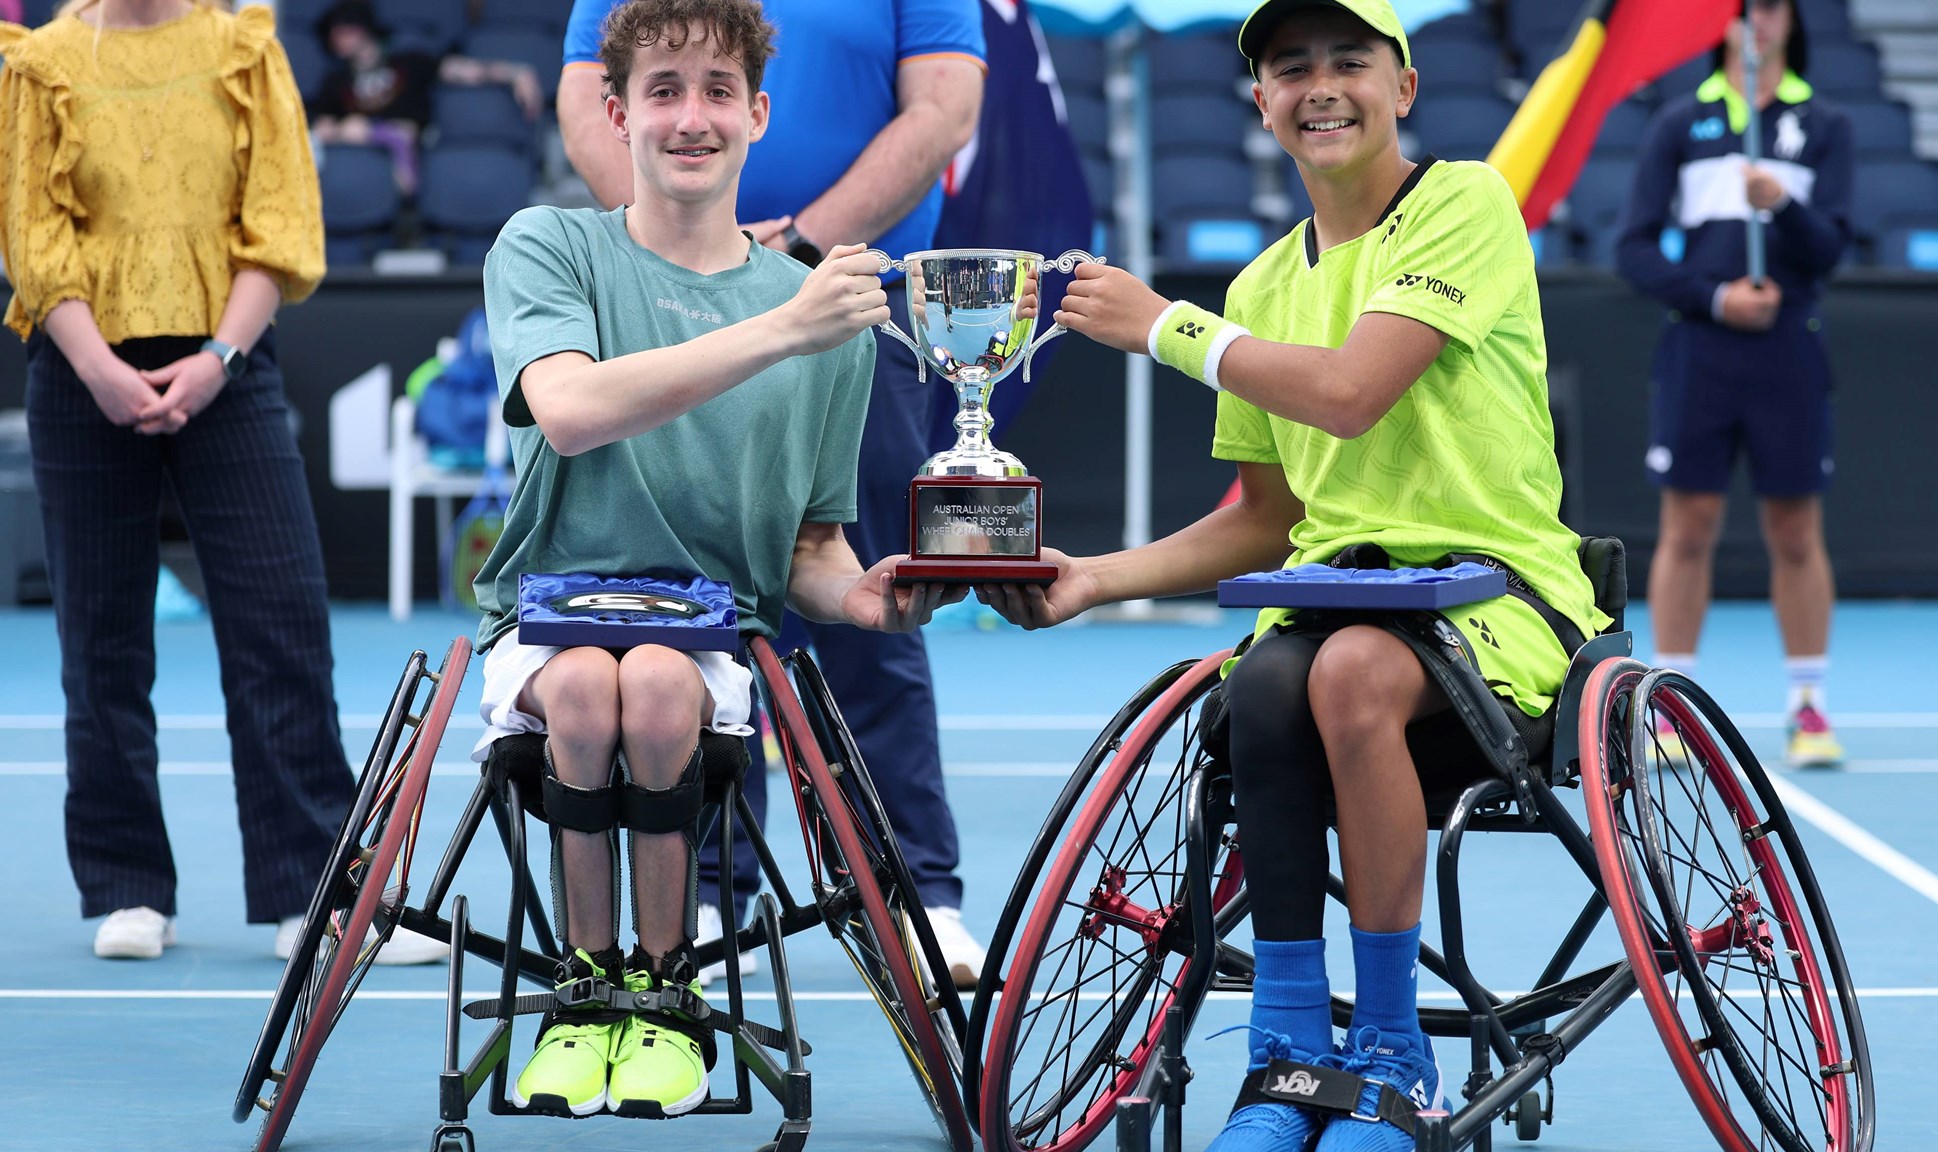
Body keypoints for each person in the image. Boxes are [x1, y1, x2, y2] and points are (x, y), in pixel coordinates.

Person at [975, 3, 1607, 1150]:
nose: (1319, 85)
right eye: (1289, 66)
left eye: (1348, 61)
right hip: (1334, 608)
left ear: (1400, 87)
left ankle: (1392, 1057)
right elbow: (1266, 521)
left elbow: (1351, 393)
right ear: (1259, 102)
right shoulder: (1264, 286)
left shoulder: (1463, 203)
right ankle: (1286, 1050)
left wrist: (1165, 328)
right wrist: (1093, 579)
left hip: (1496, 593)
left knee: (1346, 672)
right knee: (1260, 685)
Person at [475, 0, 961, 1117]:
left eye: (715, 93)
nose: (690, 117)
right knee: (590, 687)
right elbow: (570, 413)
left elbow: (811, 548)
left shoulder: (821, 322)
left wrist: (863, 598)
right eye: (663, 91)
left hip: (706, 635)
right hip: (547, 616)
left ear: (758, 114)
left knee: (652, 681)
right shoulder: (548, 245)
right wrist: (785, 324)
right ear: (616, 113)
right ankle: (582, 992)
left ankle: (665, 989)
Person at [557, 0, 992, 987]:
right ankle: (709, 893)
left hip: (853, 299)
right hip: (666, 299)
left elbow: (941, 110)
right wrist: (678, 243)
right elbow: (588, 101)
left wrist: (788, 253)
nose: (695, 110)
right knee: (691, 597)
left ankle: (917, 892)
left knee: (864, 596)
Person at [0, 0, 440, 965]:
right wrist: (100, 370)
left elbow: (278, 224)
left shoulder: (244, 47)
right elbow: (34, 241)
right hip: (79, 372)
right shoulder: (40, 62)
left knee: (281, 627)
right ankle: (126, 888)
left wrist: (218, 361)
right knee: (100, 640)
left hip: (230, 365)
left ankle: (312, 893)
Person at [1615, 0, 1851, 768]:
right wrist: (1715, 299)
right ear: (1721, 21)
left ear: (1791, 19)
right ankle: (1670, 709)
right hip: (1701, 351)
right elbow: (1633, 249)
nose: (1758, 21)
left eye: (1772, 6)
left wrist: (1782, 206)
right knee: (1687, 528)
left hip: (1789, 353)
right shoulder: (1680, 124)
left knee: (1796, 531)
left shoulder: (1823, 125)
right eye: (1743, 8)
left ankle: (1808, 706)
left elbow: (1829, 250)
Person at [309, 0, 544, 195]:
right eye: (333, 33)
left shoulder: (409, 61)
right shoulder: (335, 81)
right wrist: (352, 131)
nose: (339, 38)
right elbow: (321, 127)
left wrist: (516, 72)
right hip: (363, 156)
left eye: (345, 29)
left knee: (405, 136)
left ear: (362, 26)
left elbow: (465, 71)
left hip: (415, 153)